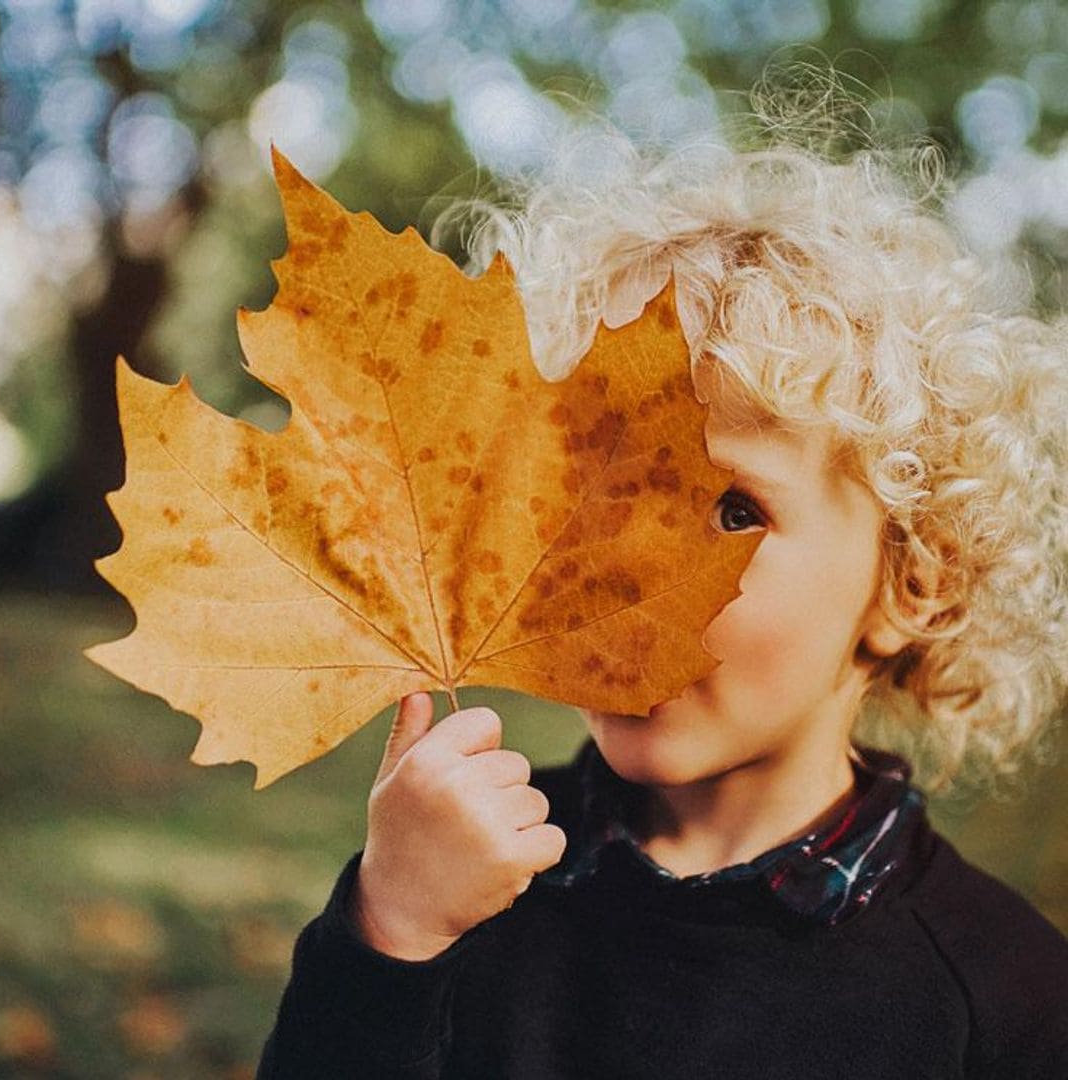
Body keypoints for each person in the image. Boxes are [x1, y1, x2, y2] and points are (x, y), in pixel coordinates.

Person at [256, 88, 1068, 1078]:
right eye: (588, 492)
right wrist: (390, 934)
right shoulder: (458, 877)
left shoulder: (1005, 999)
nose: (624, 564)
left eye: (733, 511)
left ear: (915, 589)